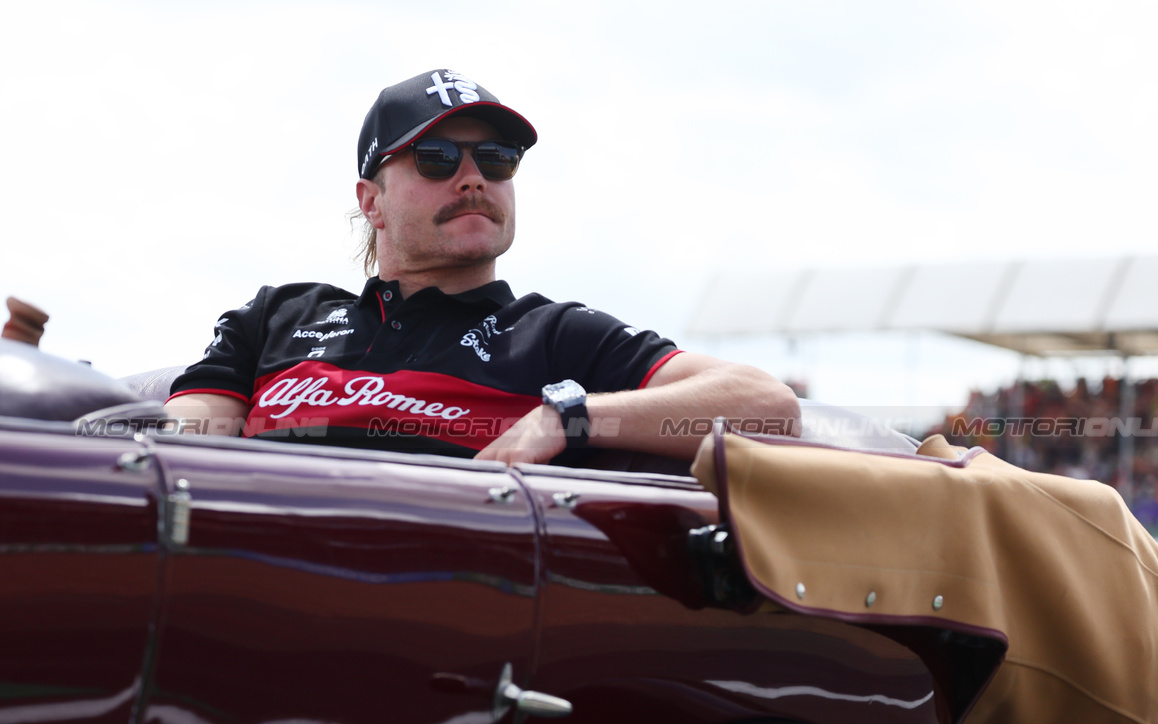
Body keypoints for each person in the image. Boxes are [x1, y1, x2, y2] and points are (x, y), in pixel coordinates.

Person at [165, 69, 799, 465]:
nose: (473, 179)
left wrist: (567, 417)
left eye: (497, 160)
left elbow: (768, 407)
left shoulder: (555, 335)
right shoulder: (275, 316)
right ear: (371, 202)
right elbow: (181, 453)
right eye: (437, 158)